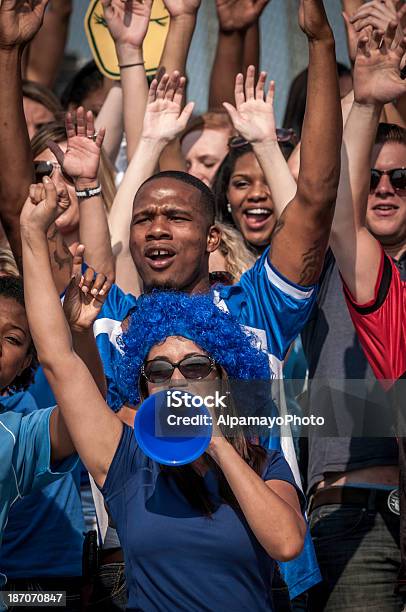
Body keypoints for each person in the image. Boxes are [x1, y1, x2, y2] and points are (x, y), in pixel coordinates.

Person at [20, 179, 307, 609]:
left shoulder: (262, 461)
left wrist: (217, 444)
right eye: (158, 370)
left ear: (223, 376)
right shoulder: (125, 461)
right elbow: (58, 360)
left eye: (194, 368)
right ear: (143, 385)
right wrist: (30, 232)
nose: (176, 381)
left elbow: (286, 543)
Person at [326, 16, 406, 609]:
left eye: (401, 179)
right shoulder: (395, 312)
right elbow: (341, 225)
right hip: (366, 523)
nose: (386, 188)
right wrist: (364, 101)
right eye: (376, 177)